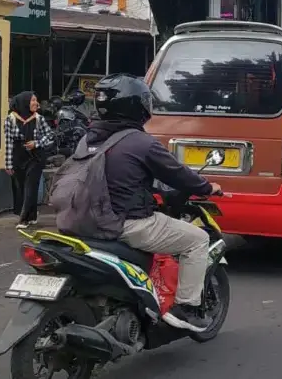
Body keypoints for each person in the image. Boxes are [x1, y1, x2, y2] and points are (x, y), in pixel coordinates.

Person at [90, 73, 221, 331]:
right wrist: (208, 187)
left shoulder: (90, 138)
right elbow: (178, 174)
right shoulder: (142, 143)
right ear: (137, 106)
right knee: (197, 240)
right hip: (128, 224)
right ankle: (185, 308)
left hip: (84, 221)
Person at [4, 92, 56, 229]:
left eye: (36, 100)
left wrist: (37, 143)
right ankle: (32, 215)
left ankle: (24, 219)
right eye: (33, 100)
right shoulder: (11, 119)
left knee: (30, 187)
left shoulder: (39, 119)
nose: (36, 103)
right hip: (18, 157)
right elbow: (9, 142)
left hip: (36, 157)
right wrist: (8, 163)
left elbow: (50, 135)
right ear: (24, 102)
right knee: (21, 187)